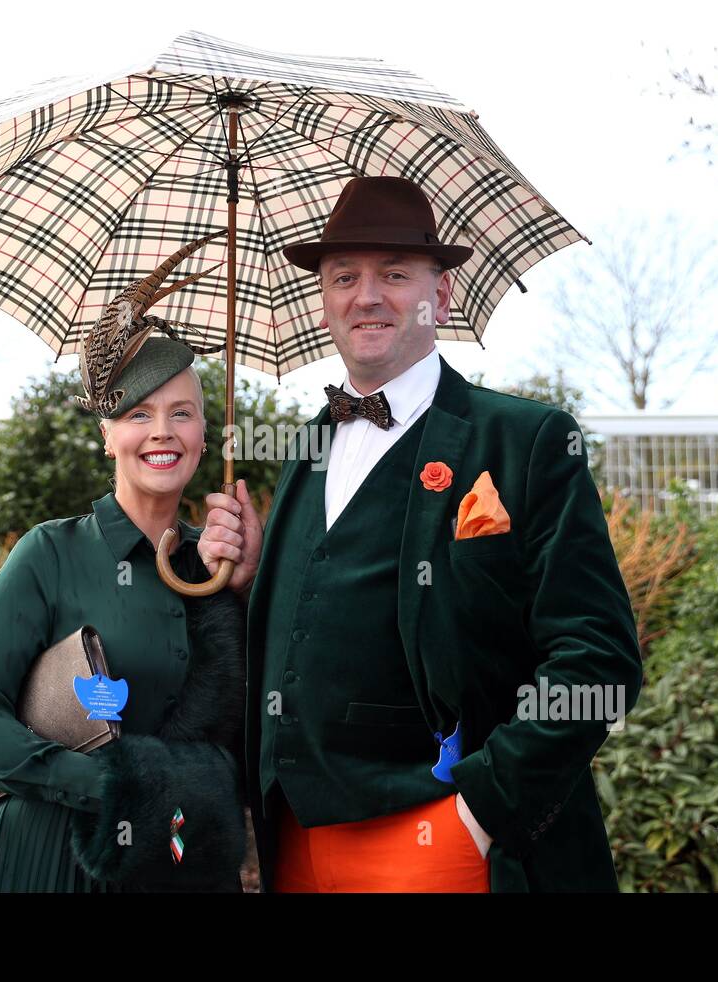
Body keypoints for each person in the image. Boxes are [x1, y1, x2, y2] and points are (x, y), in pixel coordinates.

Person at [198, 175, 644, 892]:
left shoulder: (523, 440)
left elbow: (601, 657)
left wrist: (483, 808)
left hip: (445, 839)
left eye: (394, 275)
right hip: (297, 845)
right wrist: (256, 583)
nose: (366, 296)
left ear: (439, 298)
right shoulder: (307, 447)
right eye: (345, 277)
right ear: (324, 301)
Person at [0, 332, 249, 892]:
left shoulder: (225, 570)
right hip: (54, 859)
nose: (162, 431)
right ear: (108, 436)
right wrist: (109, 786)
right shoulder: (50, 553)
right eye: (138, 413)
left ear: (206, 436)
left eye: (182, 413)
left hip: (179, 867)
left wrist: (247, 587)